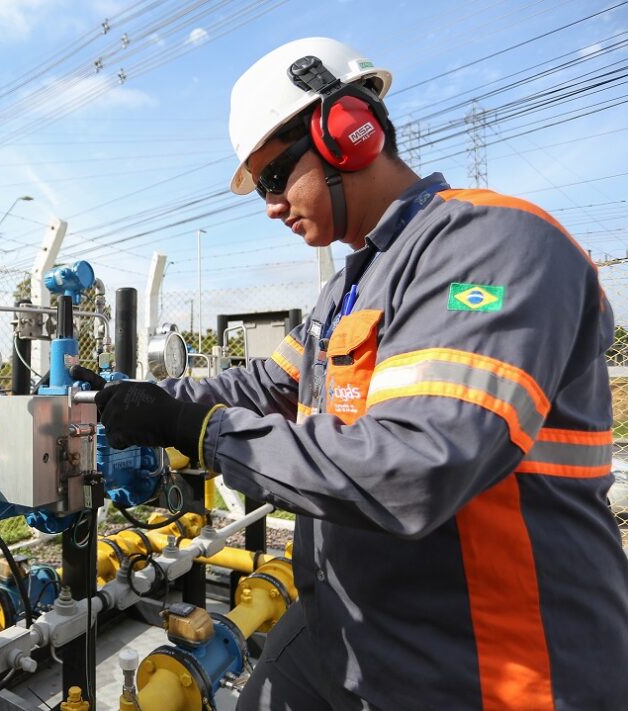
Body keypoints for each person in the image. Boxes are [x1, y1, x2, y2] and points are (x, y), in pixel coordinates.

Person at [95, 37, 628, 710]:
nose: (268, 204)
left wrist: (199, 430)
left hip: (487, 670)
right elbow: (263, 386)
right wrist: (146, 399)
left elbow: (417, 463)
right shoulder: (347, 290)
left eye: (274, 178)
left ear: (349, 131)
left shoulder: (495, 245)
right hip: (347, 634)